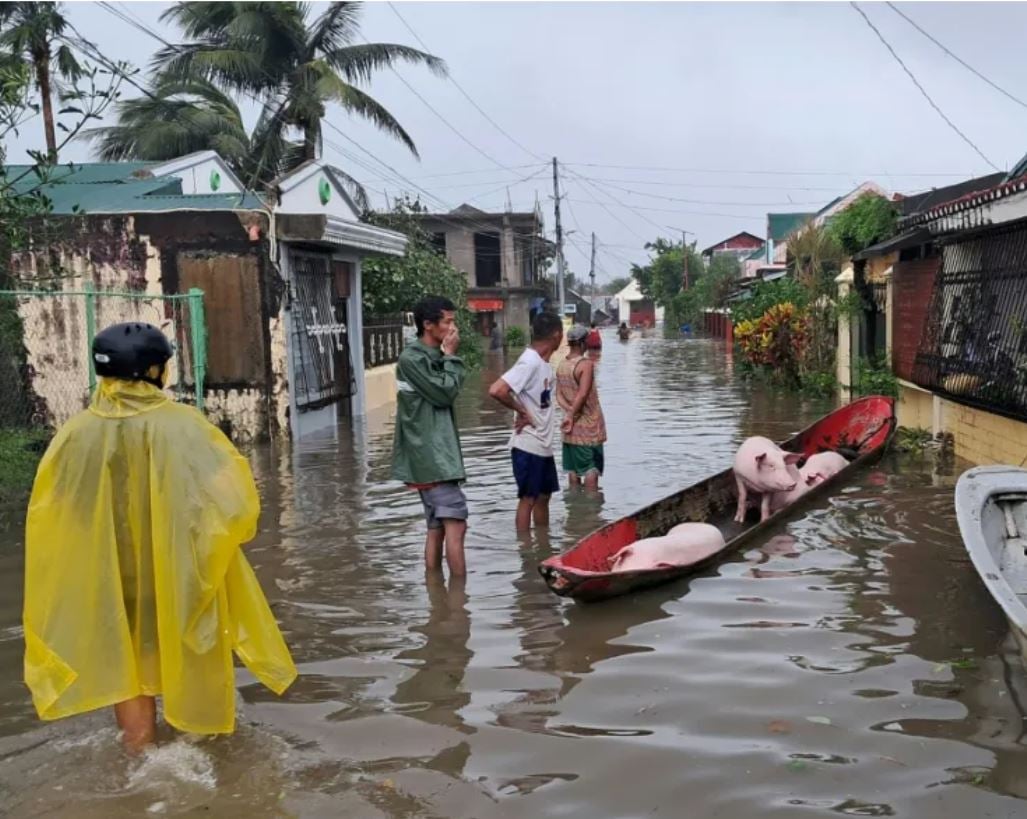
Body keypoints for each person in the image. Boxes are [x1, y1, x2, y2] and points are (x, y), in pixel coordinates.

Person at [23, 322, 296, 752]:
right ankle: (196, 746)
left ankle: (139, 753)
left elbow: (55, 508)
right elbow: (235, 504)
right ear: (155, 371)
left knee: (126, 663)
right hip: (177, 570)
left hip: (109, 576)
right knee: (190, 648)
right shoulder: (185, 426)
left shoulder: (74, 434)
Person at [392, 296, 469, 577]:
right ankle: (460, 605)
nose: (453, 327)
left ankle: (439, 601)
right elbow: (444, 393)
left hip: (433, 458)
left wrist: (446, 357)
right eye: (447, 321)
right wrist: (450, 356)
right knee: (456, 526)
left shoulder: (427, 356)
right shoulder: (412, 359)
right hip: (433, 458)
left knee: (436, 528)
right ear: (428, 325)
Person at [488, 312, 564, 531]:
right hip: (528, 444)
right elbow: (497, 390)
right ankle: (525, 551)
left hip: (543, 445)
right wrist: (521, 411)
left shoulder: (543, 364)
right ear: (557, 335)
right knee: (528, 499)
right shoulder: (529, 361)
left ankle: (542, 545)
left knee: (543, 497)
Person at [557, 325, 607, 491]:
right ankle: (591, 514)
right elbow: (583, 393)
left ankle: (575, 514)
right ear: (582, 343)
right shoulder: (585, 364)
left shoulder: (562, 365)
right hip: (589, 427)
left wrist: (568, 415)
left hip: (570, 430)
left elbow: (558, 396)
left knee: (573, 472)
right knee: (591, 470)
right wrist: (572, 414)